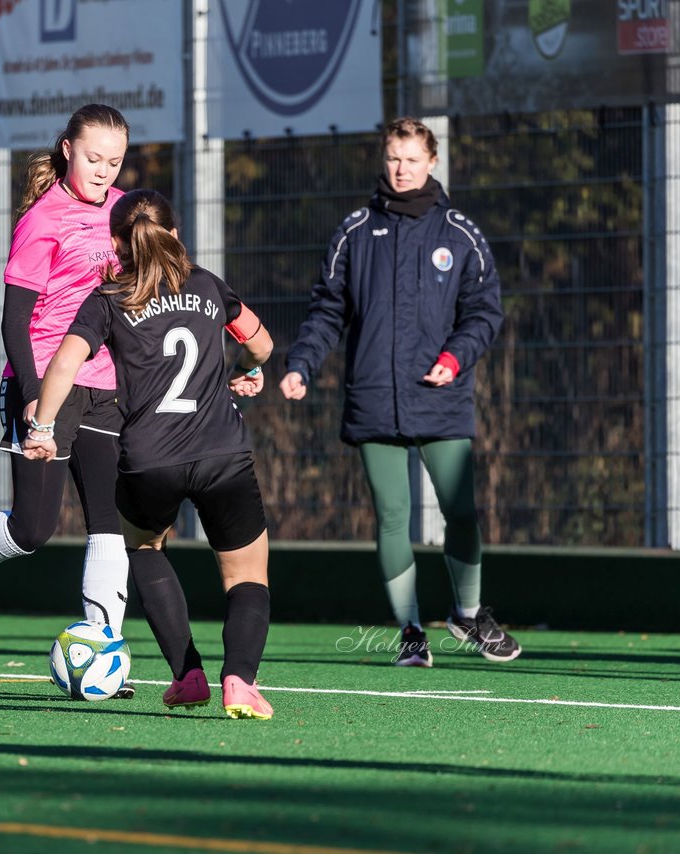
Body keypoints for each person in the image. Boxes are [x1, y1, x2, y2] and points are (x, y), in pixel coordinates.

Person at [23, 189, 277, 720]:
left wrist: (44, 428)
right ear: (176, 235)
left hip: (147, 460)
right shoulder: (208, 284)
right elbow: (262, 344)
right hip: (222, 453)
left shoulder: (108, 298)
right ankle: (241, 681)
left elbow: (65, 363)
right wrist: (249, 372)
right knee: (246, 577)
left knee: (143, 549)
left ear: (116, 243)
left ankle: (187, 676)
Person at [280, 116, 521, 668]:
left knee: (461, 512)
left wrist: (454, 358)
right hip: (373, 399)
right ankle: (411, 632)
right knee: (393, 516)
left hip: (441, 397)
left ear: (432, 162)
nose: (402, 169)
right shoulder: (355, 231)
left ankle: (467, 613)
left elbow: (484, 311)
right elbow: (327, 311)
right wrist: (301, 365)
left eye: (413, 159)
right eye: (394, 158)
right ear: (381, 159)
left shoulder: (459, 233)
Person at [0, 105, 131, 674]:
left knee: (108, 522)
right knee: (34, 528)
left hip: (105, 386)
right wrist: (33, 397)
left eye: (115, 162)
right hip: (44, 380)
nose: (104, 172)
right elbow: (13, 322)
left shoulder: (124, 211)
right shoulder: (43, 219)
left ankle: (104, 652)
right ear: (68, 149)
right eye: (93, 158)